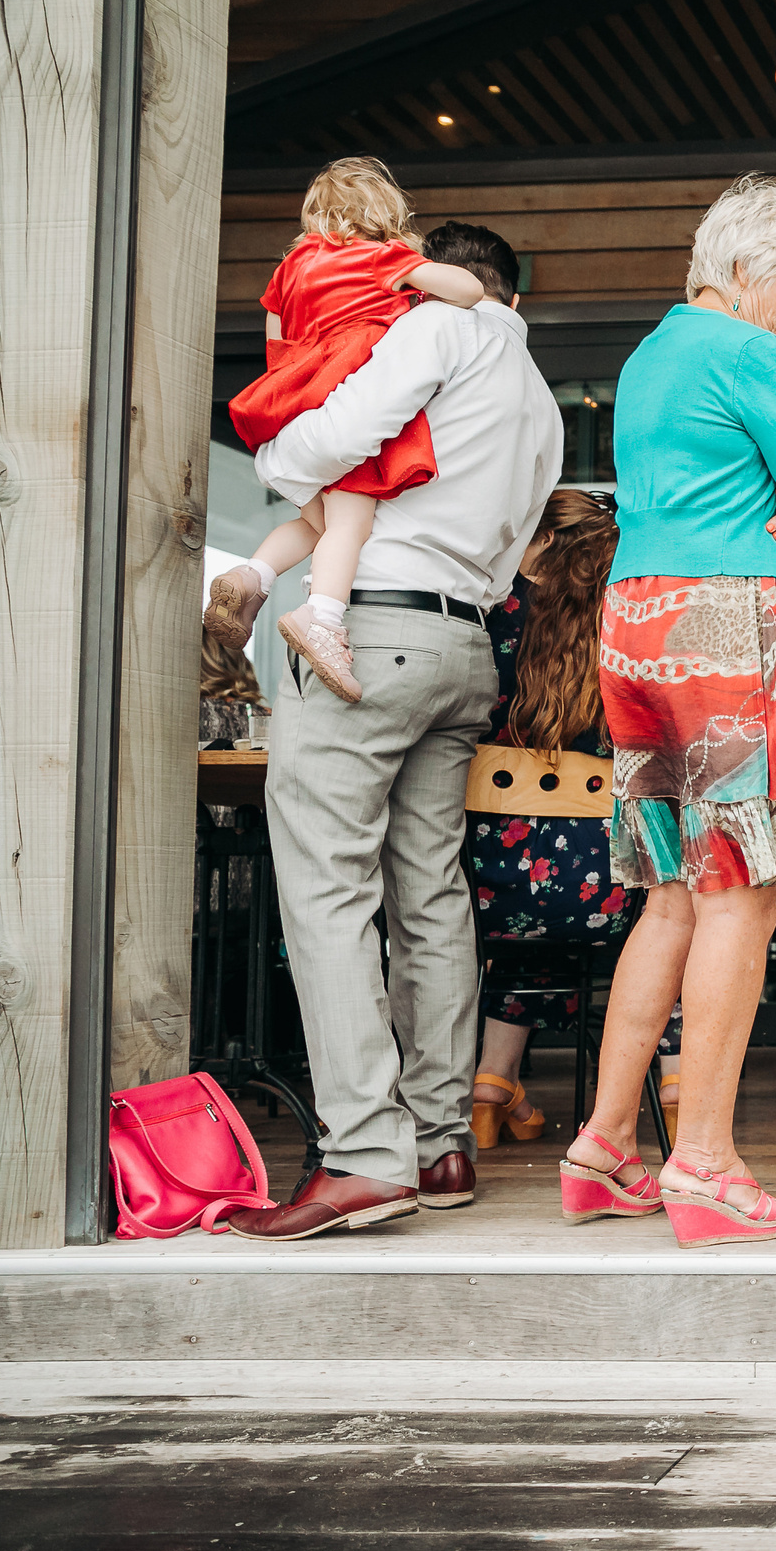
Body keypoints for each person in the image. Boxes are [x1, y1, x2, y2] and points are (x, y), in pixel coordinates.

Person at [220, 218, 562, 1241]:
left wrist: (279, 456)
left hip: (372, 630)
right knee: (429, 893)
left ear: (449, 280)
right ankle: (440, 1138)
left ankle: (366, 1153)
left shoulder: (435, 327)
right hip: (463, 649)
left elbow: (328, 444)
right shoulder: (540, 397)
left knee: (325, 888)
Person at [564, 174, 776, 1247]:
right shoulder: (749, 353)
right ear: (745, 268)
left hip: (636, 620)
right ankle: (707, 1164)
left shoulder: (652, 355)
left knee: (674, 894)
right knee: (741, 896)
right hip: (729, 626)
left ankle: (603, 1145)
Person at [209, 158, 490, 702]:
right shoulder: (380, 257)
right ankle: (324, 618)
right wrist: (410, 268)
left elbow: (277, 338)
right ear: (382, 214)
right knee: (349, 525)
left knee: (313, 521)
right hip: (345, 393)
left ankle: (252, 577)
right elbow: (468, 290)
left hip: (294, 398)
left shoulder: (292, 267)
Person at [462, 488, 637, 1149]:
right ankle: (671, 1089)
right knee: (668, 923)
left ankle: (491, 1083)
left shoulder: (488, 613)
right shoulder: (618, 621)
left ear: (536, 542)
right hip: (601, 890)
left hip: (490, 881)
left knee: (524, 939)